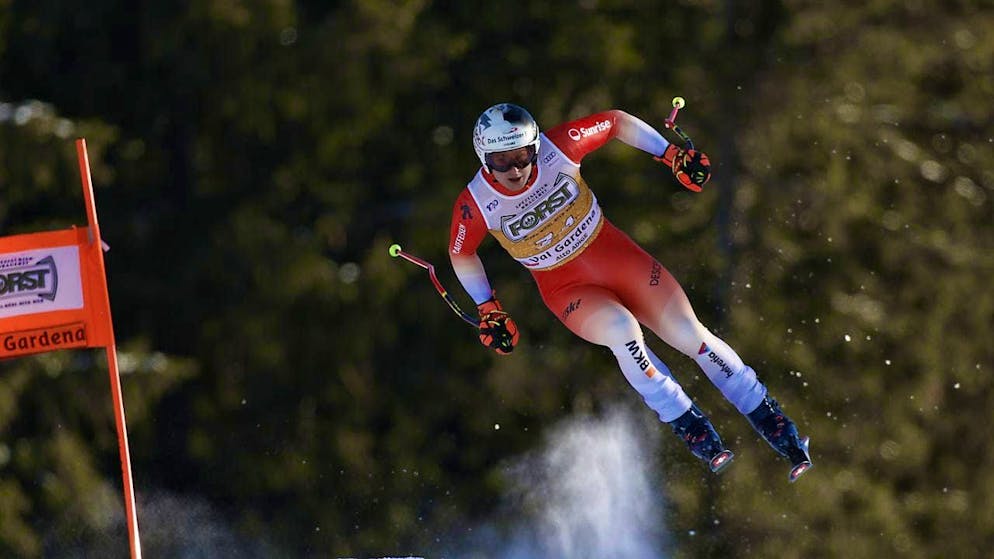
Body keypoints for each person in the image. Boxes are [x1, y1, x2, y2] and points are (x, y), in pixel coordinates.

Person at [447, 102, 812, 481]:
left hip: (619, 259)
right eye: (501, 161)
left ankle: (772, 420)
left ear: (536, 146)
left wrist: (669, 154)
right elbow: (461, 251)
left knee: (690, 336)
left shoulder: (560, 148)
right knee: (622, 331)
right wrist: (486, 305)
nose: (515, 170)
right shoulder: (475, 203)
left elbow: (615, 122)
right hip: (568, 288)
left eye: (522, 156)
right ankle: (687, 422)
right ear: (483, 157)